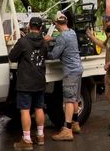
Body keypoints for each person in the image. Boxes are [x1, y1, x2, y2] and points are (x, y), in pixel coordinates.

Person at [9, 17, 48, 150]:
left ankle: (26, 140)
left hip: (26, 82)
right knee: (39, 108)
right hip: (39, 80)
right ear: (41, 28)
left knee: (25, 110)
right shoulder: (44, 42)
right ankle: (41, 136)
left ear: (28, 26)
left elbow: (12, 57)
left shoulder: (23, 42)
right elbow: (46, 55)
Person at [44, 12, 84, 141]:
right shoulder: (71, 32)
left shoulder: (62, 38)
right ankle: (75, 124)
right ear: (66, 22)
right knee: (75, 99)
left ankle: (67, 130)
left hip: (70, 72)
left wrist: (44, 50)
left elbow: (53, 55)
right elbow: (63, 38)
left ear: (55, 24)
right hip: (78, 69)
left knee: (68, 100)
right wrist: (52, 39)